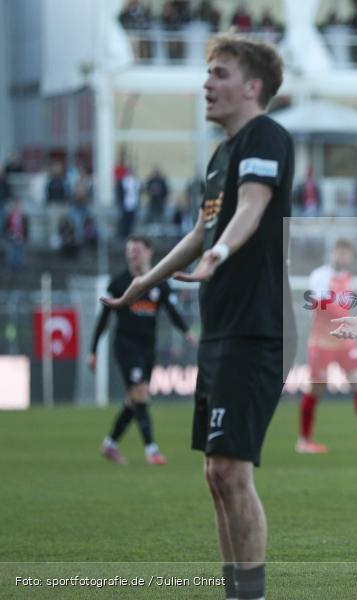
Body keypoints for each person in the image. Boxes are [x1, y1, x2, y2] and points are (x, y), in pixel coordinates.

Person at [102, 36, 293, 600]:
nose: (206, 84)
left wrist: (220, 253)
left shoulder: (265, 135)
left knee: (233, 471)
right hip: (222, 327)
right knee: (215, 474)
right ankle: (235, 590)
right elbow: (198, 232)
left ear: (252, 86)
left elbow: (253, 208)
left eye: (219, 73)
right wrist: (146, 280)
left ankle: (250, 595)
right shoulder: (220, 154)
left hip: (256, 327)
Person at [91, 235, 195, 466]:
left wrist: (187, 332)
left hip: (147, 349)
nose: (132, 254)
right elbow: (103, 319)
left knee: (133, 400)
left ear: (149, 252)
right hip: (125, 346)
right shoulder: (118, 283)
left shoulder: (159, 283)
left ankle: (110, 444)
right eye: (129, 250)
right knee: (141, 394)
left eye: (136, 250)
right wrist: (93, 350)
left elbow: (173, 310)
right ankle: (152, 450)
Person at [297, 238, 357, 453]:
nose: (342, 257)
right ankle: (304, 441)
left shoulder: (347, 278)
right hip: (322, 341)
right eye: (339, 252)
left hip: (344, 342)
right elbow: (320, 304)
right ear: (332, 253)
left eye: (346, 254)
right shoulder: (320, 275)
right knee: (316, 389)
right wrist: (355, 319)